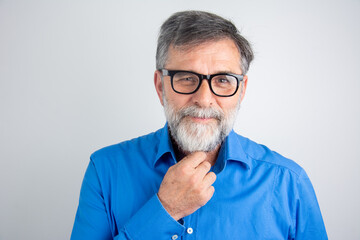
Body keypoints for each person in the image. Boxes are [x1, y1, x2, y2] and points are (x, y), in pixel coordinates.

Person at [71, 11, 327, 240]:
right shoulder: (105, 170)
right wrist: (165, 210)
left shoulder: (288, 183)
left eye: (223, 80)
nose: (204, 99)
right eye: (186, 78)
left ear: (241, 90)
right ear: (160, 86)